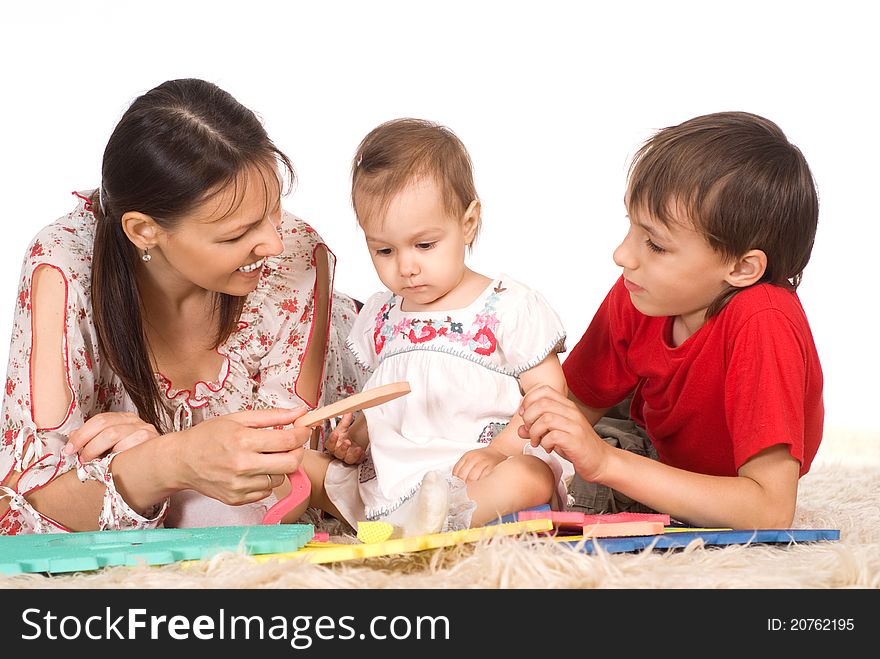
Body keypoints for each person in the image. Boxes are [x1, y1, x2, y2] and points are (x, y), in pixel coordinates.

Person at [0, 78, 365, 535]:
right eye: (235, 234)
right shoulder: (63, 266)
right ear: (143, 231)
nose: (272, 242)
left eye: (274, 210)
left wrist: (146, 460)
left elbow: (284, 485)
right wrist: (169, 462)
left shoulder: (294, 255)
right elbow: (23, 509)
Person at [519, 111, 823, 530]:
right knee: (514, 424)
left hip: (720, 479)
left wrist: (605, 461)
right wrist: (498, 454)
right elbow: (576, 401)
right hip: (645, 423)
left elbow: (769, 510)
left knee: (581, 482)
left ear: (741, 267)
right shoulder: (643, 290)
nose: (622, 255)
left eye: (656, 245)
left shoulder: (763, 321)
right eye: (631, 226)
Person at [298, 118, 573, 537]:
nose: (406, 267)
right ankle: (403, 520)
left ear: (468, 223)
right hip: (392, 476)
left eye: (425, 245)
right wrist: (357, 436)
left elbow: (549, 395)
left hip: (476, 471)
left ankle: (440, 518)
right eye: (384, 250)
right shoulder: (381, 316)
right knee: (303, 464)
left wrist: (498, 453)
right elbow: (384, 404)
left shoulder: (505, 305)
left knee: (531, 475)